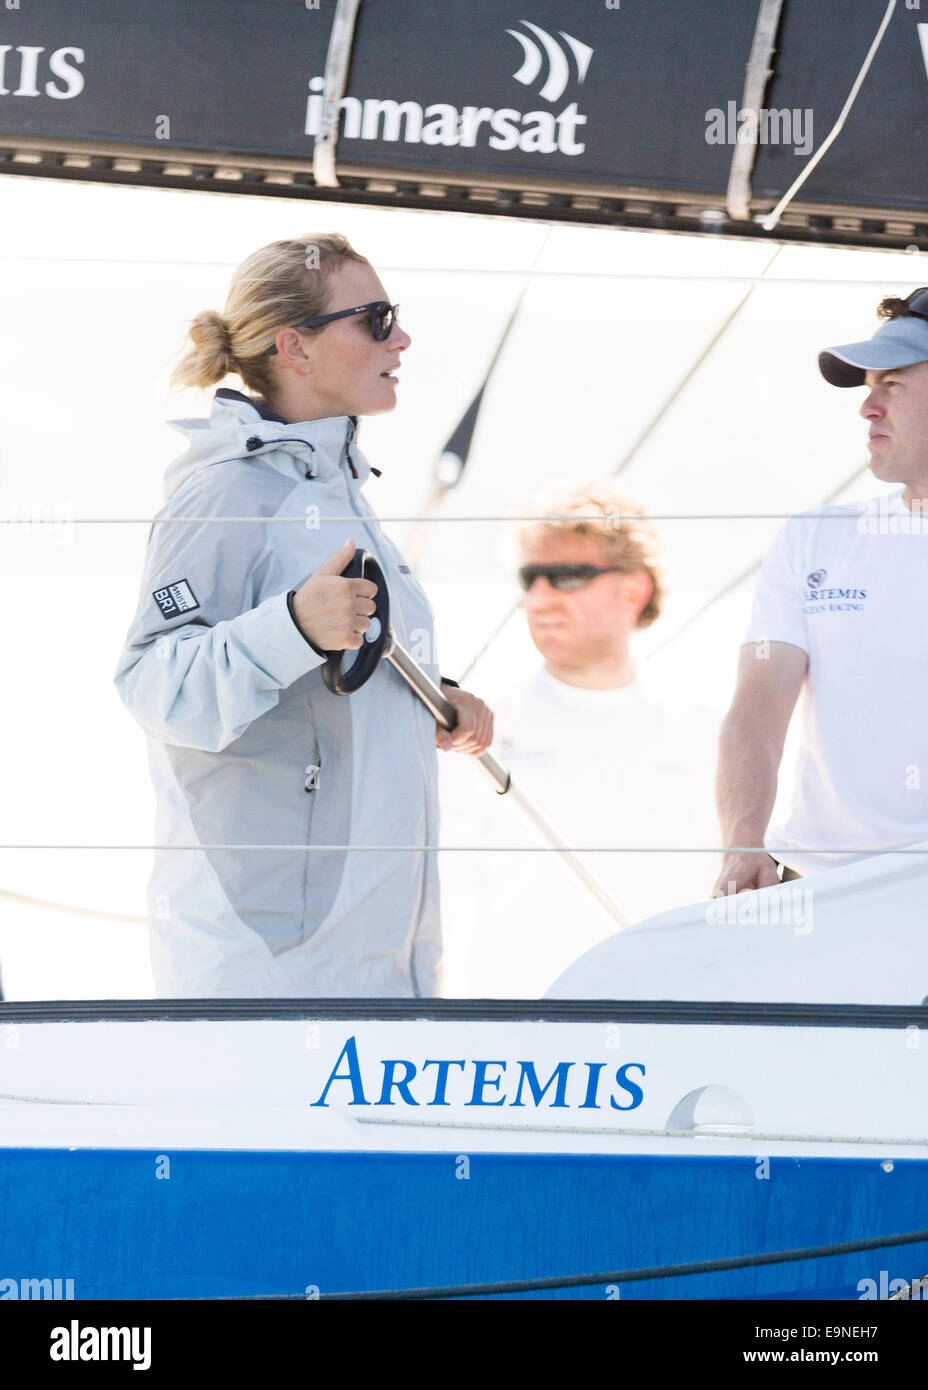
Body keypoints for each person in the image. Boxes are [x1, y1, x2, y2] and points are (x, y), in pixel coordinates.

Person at [114, 233, 492, 997]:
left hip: (381, 957)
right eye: (376, 319)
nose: (403, 338)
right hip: (271, 966)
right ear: (297, 347)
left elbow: (331, 672)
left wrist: (433, 698)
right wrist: (291, 627)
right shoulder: (225, 493)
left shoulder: (338, 485)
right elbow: (151, 683)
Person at [439, 481, 720, 997]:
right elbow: (435, 903)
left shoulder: (709, 732)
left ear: (634, 591)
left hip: (670, 1028)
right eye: (531, 577)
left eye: (566, 577)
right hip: (518, 1037)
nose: (539, 597)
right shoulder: (472, 733)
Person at [714, 288, 928, 897]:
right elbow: (756, 710)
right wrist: (743, 844)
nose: (868, 407)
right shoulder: (814, 539)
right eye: (869, 385)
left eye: (894, 384)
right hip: (818, 894)